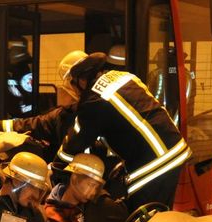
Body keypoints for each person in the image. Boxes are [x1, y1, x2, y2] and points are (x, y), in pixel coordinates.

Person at [54, 51, 191, 213]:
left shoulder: (94, 100)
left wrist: (55, 167)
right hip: (174, 146)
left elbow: (75, 142)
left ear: (80, 80)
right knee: (159, 213)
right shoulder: (123, 77)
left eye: (72, 83)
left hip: (155, 162)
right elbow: (133, 122)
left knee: (142, 217)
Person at [45, 153, 105, 222]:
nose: (93, 192)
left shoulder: (89, 208)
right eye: (91, 185)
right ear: (74, 179)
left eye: (96, 187)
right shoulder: (54, 216)